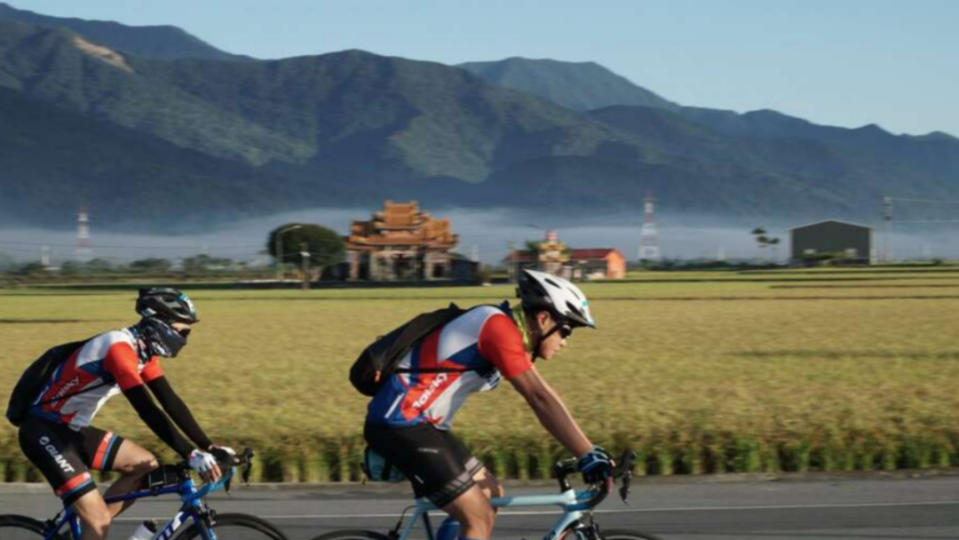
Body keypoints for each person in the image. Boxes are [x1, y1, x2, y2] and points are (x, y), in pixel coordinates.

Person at [364, 269, 612, 540]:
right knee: (478, 517)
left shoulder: (507, 332)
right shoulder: (497, 328)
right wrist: (587, 453)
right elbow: (539, 397)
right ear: (543, 319)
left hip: (425, 426)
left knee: (491, 494)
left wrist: (588, 452)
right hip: (400, 423)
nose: (565, 341)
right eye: (565, 331)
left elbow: (542, 395)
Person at [16, 288, 231, 540]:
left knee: (144, 465)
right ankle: (94, 525)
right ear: (159, 325)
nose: (186, 337)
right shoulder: (118, 348)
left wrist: (208, 445)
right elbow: (146, 408)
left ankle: (89, 527)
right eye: (183, 330)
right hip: (44, 431)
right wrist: (191, 453)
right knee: (98, 522)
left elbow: (171, 402)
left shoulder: (143, 354)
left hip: (71, 430)